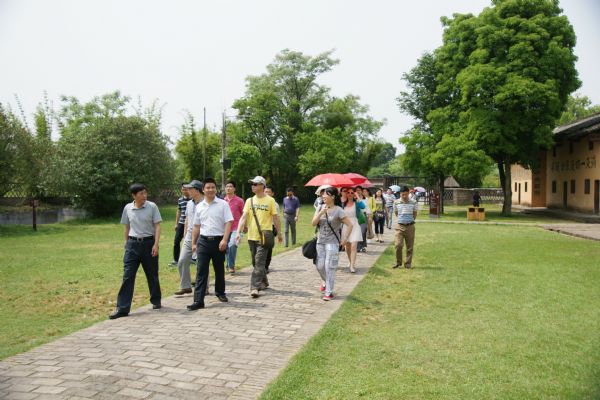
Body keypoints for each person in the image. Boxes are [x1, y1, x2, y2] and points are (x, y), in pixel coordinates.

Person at [109, 183, 162, 319]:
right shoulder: (128, 208)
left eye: (145, 193)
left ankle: (156, 300)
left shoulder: (152, 206)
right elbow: (127, 226)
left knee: (152, 274)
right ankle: (122, 308)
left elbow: (157, 226)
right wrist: (126, 242)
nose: (144, 196)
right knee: (128, 276)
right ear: (134, 195)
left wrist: (156, 244)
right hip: (132, 245)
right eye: (141, 193)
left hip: (149, 244)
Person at [187, 177, 233, 310]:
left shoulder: (223, 204)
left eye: (213, 187)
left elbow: (228, 222)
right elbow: (196, 226)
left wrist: (225, 239)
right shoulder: (199, 206)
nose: (210, 189)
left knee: (219, 269)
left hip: (218, 241)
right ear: (203, 190)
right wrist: (194, 243)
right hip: (203, 242)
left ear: (216, 189)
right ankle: (198, 300)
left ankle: (220, 292)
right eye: (207, 187)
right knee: (201, 271)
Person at [236, 176, 282, 298]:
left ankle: (254, 287)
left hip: (264, 237)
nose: (253, 186)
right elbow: (243, 217)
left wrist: (279, 233)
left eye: (255, 184)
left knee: (259, 262)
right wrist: (238, 232)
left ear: (262, 186)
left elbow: (276, 218)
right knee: (255, 262)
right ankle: (264, 281)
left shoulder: (270, 201)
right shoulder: (249, 201)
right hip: (251, 236)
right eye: (252, 184)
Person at [312, 187, 352, 301]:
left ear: (333, 197)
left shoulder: (339, 210)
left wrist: (345, 239)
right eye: (323, 194)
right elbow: (313, 223)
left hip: (333, 242)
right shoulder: (320, 207)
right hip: (320, 241)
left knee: (329, 267)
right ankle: (326, 281)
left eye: (326, 194)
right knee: (319, 266)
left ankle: (329, 292)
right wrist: (321, 212)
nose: (323, 196)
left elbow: (350, 225)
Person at [174, 180, 204, 295]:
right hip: (189, 235)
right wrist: (185, 234)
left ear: (197, 190)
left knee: (202, 263)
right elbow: (187, 219)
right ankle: (185, 286)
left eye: (190, 188)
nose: (187, 190)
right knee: (182, 261)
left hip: (203, 235)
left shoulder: (205, 202)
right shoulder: (189, 203)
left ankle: (204, 288)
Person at [393, 185, 418, 269]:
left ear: (408, 193)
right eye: (402, 194)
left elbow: (415, 214)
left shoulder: (414, 202)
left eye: (406, 194)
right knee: (398, 245)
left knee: (409, 247)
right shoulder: (396, 202)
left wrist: (409, 221)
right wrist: (402, 220)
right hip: (399, 226)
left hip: (410, 226)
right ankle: (398, 262)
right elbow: (396, 213)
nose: (404, 196)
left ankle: (407, 264)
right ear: (400, 194)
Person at [340, 187, 364, 273]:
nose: (350, 194)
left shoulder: (356, 203)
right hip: (346, 226)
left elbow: (363, 206)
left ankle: (352, 266)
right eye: (348, 192)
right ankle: (350, 262)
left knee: (354, 245)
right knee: (347, 246)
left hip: (355, 225)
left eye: (352, 192)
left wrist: (357, 196)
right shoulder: (343, 204)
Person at [224, 180, 244, 274]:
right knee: (225, 247)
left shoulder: (239, 201)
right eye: (227, 186)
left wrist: (245, 226)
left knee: (232, 245)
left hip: (236, 228)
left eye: (230, 186)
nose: (228, 188)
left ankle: (231, 266)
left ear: (234, 189)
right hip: (224, 228)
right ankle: (228, 265)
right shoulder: (222, 201)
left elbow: (244, 214)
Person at [170, 183, 191, 266]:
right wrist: (176, 223)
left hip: (191, 224)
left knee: (191, 241)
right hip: (181, 223)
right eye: (183, 189)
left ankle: (193, 259)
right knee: (176, 241)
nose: (185, 191)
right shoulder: (180, 200)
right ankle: (176, 259)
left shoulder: (193, 199)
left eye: (187, 189)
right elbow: (179, 211)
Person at [264, 185, 281, 273]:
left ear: (272, 193)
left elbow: (277, 218)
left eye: (268, 192)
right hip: (260, 227)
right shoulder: (259, 202)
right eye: (265, 192)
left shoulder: (275, 204)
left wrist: (279, 231)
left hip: (271, 227)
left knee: (268, 247)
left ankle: (266, 266)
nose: (266, 193)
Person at [355, 186, 370, 253]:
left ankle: (362, 246)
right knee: (357, 232)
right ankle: (359, 247)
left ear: (361, 191)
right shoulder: (353, 199)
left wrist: (369, 216)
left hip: (363, 216)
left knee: (363, 231)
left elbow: (366, 208)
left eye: (359, 190)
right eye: (357, 190)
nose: (358, 191)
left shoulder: (365, 199)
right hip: (356, 216)